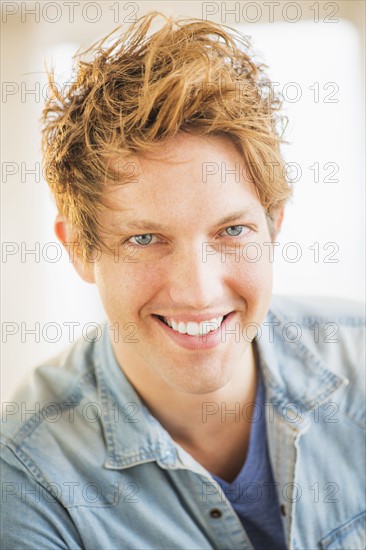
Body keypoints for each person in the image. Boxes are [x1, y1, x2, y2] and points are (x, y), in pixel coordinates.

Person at [1, 11, 365, 550]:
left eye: (233, 230)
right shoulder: (29, 481)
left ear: (273, 227)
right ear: (80, 248)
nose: (198, 291)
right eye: (144, 239)